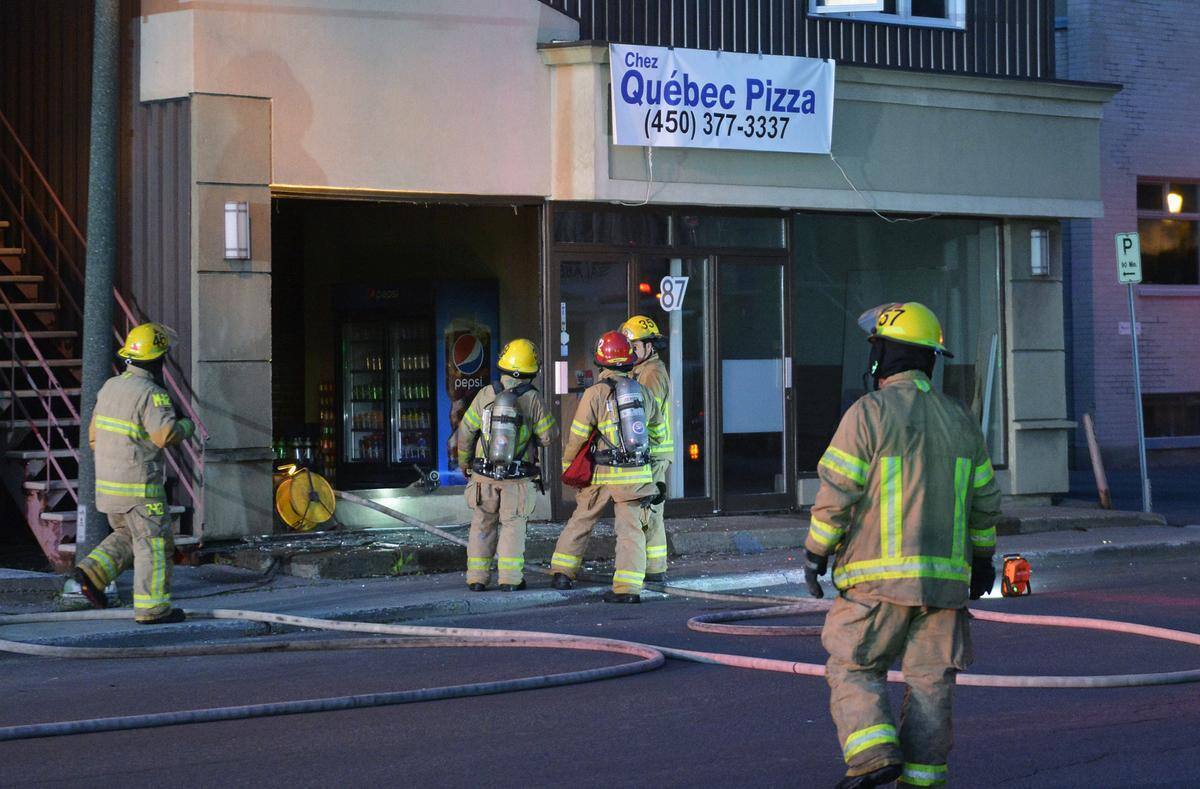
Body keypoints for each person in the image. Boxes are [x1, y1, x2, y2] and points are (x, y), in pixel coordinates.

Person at [803, 302, 1001, 789]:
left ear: (889, 355)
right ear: (930, 358)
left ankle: (872, 755)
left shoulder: (868, 413)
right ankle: (922, 780)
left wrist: (816, 552)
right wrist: (982, 560)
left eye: (877, 348)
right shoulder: (961, 418)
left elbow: (837, 494)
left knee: (854, 664)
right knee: (932, 683)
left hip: (877, 582)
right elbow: (985, 502)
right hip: (945, 585)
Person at [74, 323, 196, 624]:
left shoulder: (110, 388)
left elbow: (92, 437)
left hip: (109, 489)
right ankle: (153, 609)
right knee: (153, 544)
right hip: (140, 489)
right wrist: (187, 426)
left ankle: (91, 572)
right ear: (158, 359)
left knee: (128, 535)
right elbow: (164, 434)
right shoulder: (151, 394)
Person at [550, 331, 664, 603]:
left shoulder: (595, 393)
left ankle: (563, 574)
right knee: (631, 531)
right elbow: (657, 431)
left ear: (601, 361)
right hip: (636, 475)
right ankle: (628, 589)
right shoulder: (643, 392)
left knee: (581, 521)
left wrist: (569, 465)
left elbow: (577, 435)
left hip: (602, 474)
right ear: (628, 360)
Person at [456, 339, 557, 592]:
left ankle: (477, 579)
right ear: (531, 370)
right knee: (513, 526)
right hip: (518, 477)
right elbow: (548, 436)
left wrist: (465, 463)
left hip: (483, 474)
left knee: (482, 523)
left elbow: (466, 430)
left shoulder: (486, 393)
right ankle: (510, 580)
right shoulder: (533, 398)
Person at [620, 315, 673, 582]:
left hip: (653, 453)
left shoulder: (652, 373)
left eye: (634, 345)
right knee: (648, 513)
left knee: (650, 513)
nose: (630, 351)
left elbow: (645, 413)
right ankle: (653, 569)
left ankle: (655, 570)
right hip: (649, 452)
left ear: (649, 346)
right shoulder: (640, 371)